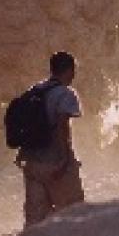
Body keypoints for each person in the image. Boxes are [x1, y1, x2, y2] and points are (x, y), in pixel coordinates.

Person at [16, 51, 85, 226]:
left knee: (35, 220)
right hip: (56, 163)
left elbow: (26, 125)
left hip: (32, 164)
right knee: (73, 214)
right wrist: (66, 159)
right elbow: (62, 127)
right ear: (70, 70)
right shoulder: (65, 94)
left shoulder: (34, 91)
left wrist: (22, 154)